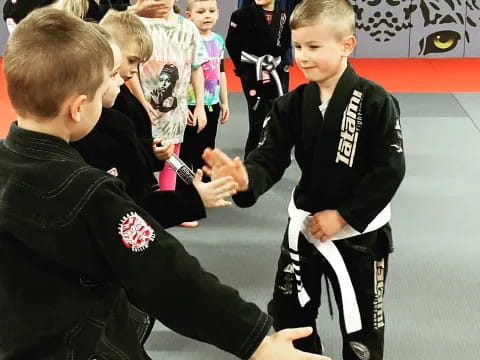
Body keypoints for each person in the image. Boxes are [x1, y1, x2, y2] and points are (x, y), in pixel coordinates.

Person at [0, 7, 332, 360]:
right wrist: (256, 341)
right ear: (78, 108)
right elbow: (166, 274)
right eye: (101, 90)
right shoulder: (88, 191)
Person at [203, 0, 406, 358]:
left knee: (363, 326)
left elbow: (389, 169)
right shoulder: (291, 104)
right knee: (288, 314)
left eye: (314, 47)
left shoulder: (377, 102)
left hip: (361, 234)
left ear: (347, 45)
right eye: (297, 47)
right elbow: (270, 157)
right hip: (306, 225)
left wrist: (343, 215)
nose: (303, 57)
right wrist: (246, 177)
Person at [72, 12, 236, 228]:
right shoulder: (100, 125)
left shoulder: (125, 105)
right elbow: (125, 205)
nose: (127, 73)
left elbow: (132, 154)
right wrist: (192, 201)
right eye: (128, 62)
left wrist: (151, 152)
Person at [129, 0, 208, 196]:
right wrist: (142, 102)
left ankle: (170, 208)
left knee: (171, 161)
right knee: (140, 159)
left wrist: (200, 106)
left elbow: (196, 68)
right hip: (142, 111)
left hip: (175, 113)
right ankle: (143, 209)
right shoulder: (139, 25)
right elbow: (131, 70)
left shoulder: (188, 29)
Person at [226, 0, 291, 157]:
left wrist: (278, 64)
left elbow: (285, 44)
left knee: (275, 114)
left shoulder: (284, 17)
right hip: (252, 73)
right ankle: (252, 158)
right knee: (258, 117)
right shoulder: (241, 16)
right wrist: (243, 68)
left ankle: (271, 154)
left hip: (276, 72)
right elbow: (232, 43)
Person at [181, 0, 230, 184]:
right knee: (186, 149)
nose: (207, 15)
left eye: (211, 11)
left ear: (218, 13)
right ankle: (185, 187)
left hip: (212, 104)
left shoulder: (218, 40)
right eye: (201, 11)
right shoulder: (187, 40)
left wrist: (224, 101)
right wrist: (182, 104)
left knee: (207, 148)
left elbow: (221, 72)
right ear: (189, 15)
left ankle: (205, 185)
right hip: (190, 104)